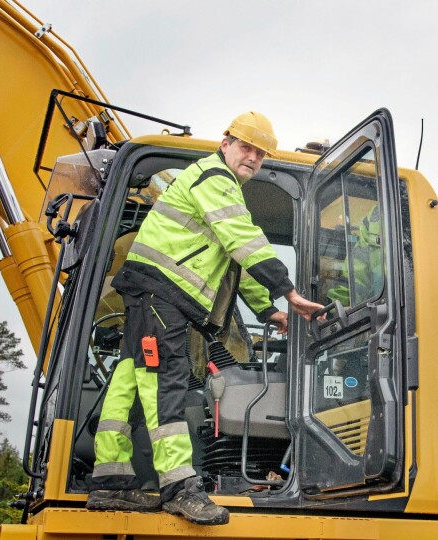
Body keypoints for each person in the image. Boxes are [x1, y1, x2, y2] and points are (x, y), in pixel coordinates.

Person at [88, 112, 323, 525]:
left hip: (151, 293)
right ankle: (180, 487)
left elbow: (235, 263)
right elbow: (244, 241)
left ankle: (112, 481)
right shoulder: (215, 179)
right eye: (246, 147)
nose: (252, 158)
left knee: (128, 382)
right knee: (167, 382)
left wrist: (268, 310)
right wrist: (288, 290)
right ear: (225, 143)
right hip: (162, 294)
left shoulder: (216, 187)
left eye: (259, 153)